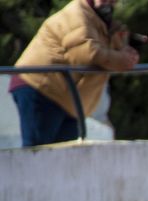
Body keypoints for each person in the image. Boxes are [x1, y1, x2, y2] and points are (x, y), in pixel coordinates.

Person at [10, 0, 138, 147]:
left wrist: (122, 47)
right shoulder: (77, 13)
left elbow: (106, 53)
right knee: (37, 153)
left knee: (66, 156)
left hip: (68, 100)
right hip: (40, 88)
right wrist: (121, 59)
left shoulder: (101, 19)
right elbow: (85, 53)